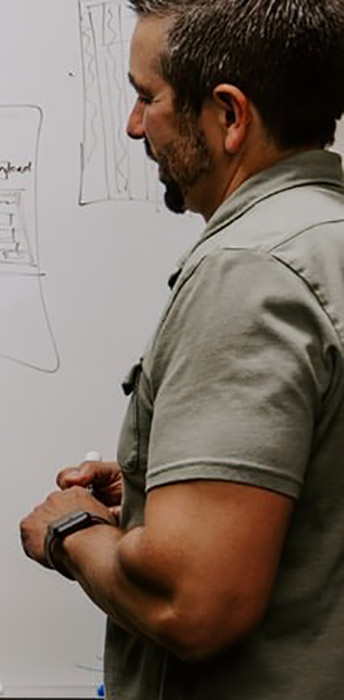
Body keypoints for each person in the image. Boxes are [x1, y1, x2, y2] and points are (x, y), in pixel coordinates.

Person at [19, 1, 344, 698]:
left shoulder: (251, 270)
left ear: (229, 116)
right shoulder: (328, 239)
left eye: (147, 97)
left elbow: (192, 604)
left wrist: (70, 531)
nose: (134, 125)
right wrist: (154, 485)